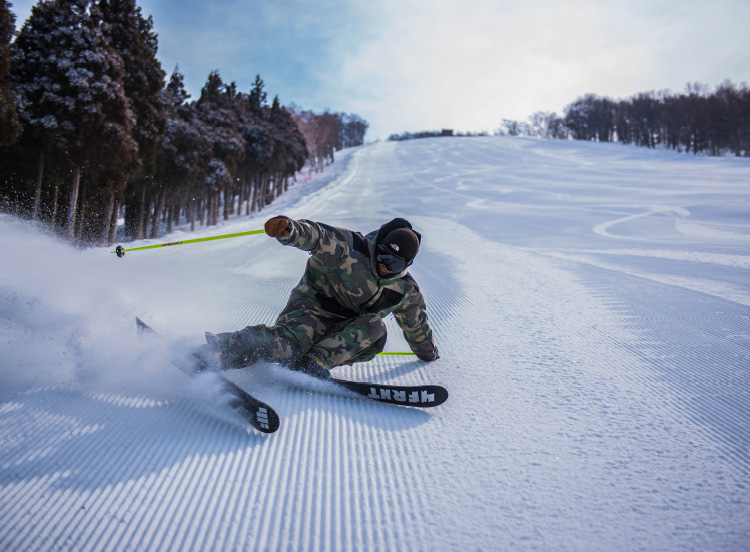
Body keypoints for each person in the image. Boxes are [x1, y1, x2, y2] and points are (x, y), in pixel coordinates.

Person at [197, 216, 439, 378]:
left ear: (407, 265)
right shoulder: (351, 247)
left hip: (344, 331)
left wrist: (430, 356)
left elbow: (417, 326)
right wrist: (290, 230)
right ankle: (220, 350)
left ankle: (314, 363)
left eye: (394, 263)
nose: (385, 265)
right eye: (383, 256)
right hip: (312, 310)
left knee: (376, 327)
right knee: (287, 346)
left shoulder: (406, 291)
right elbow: (318, 236)